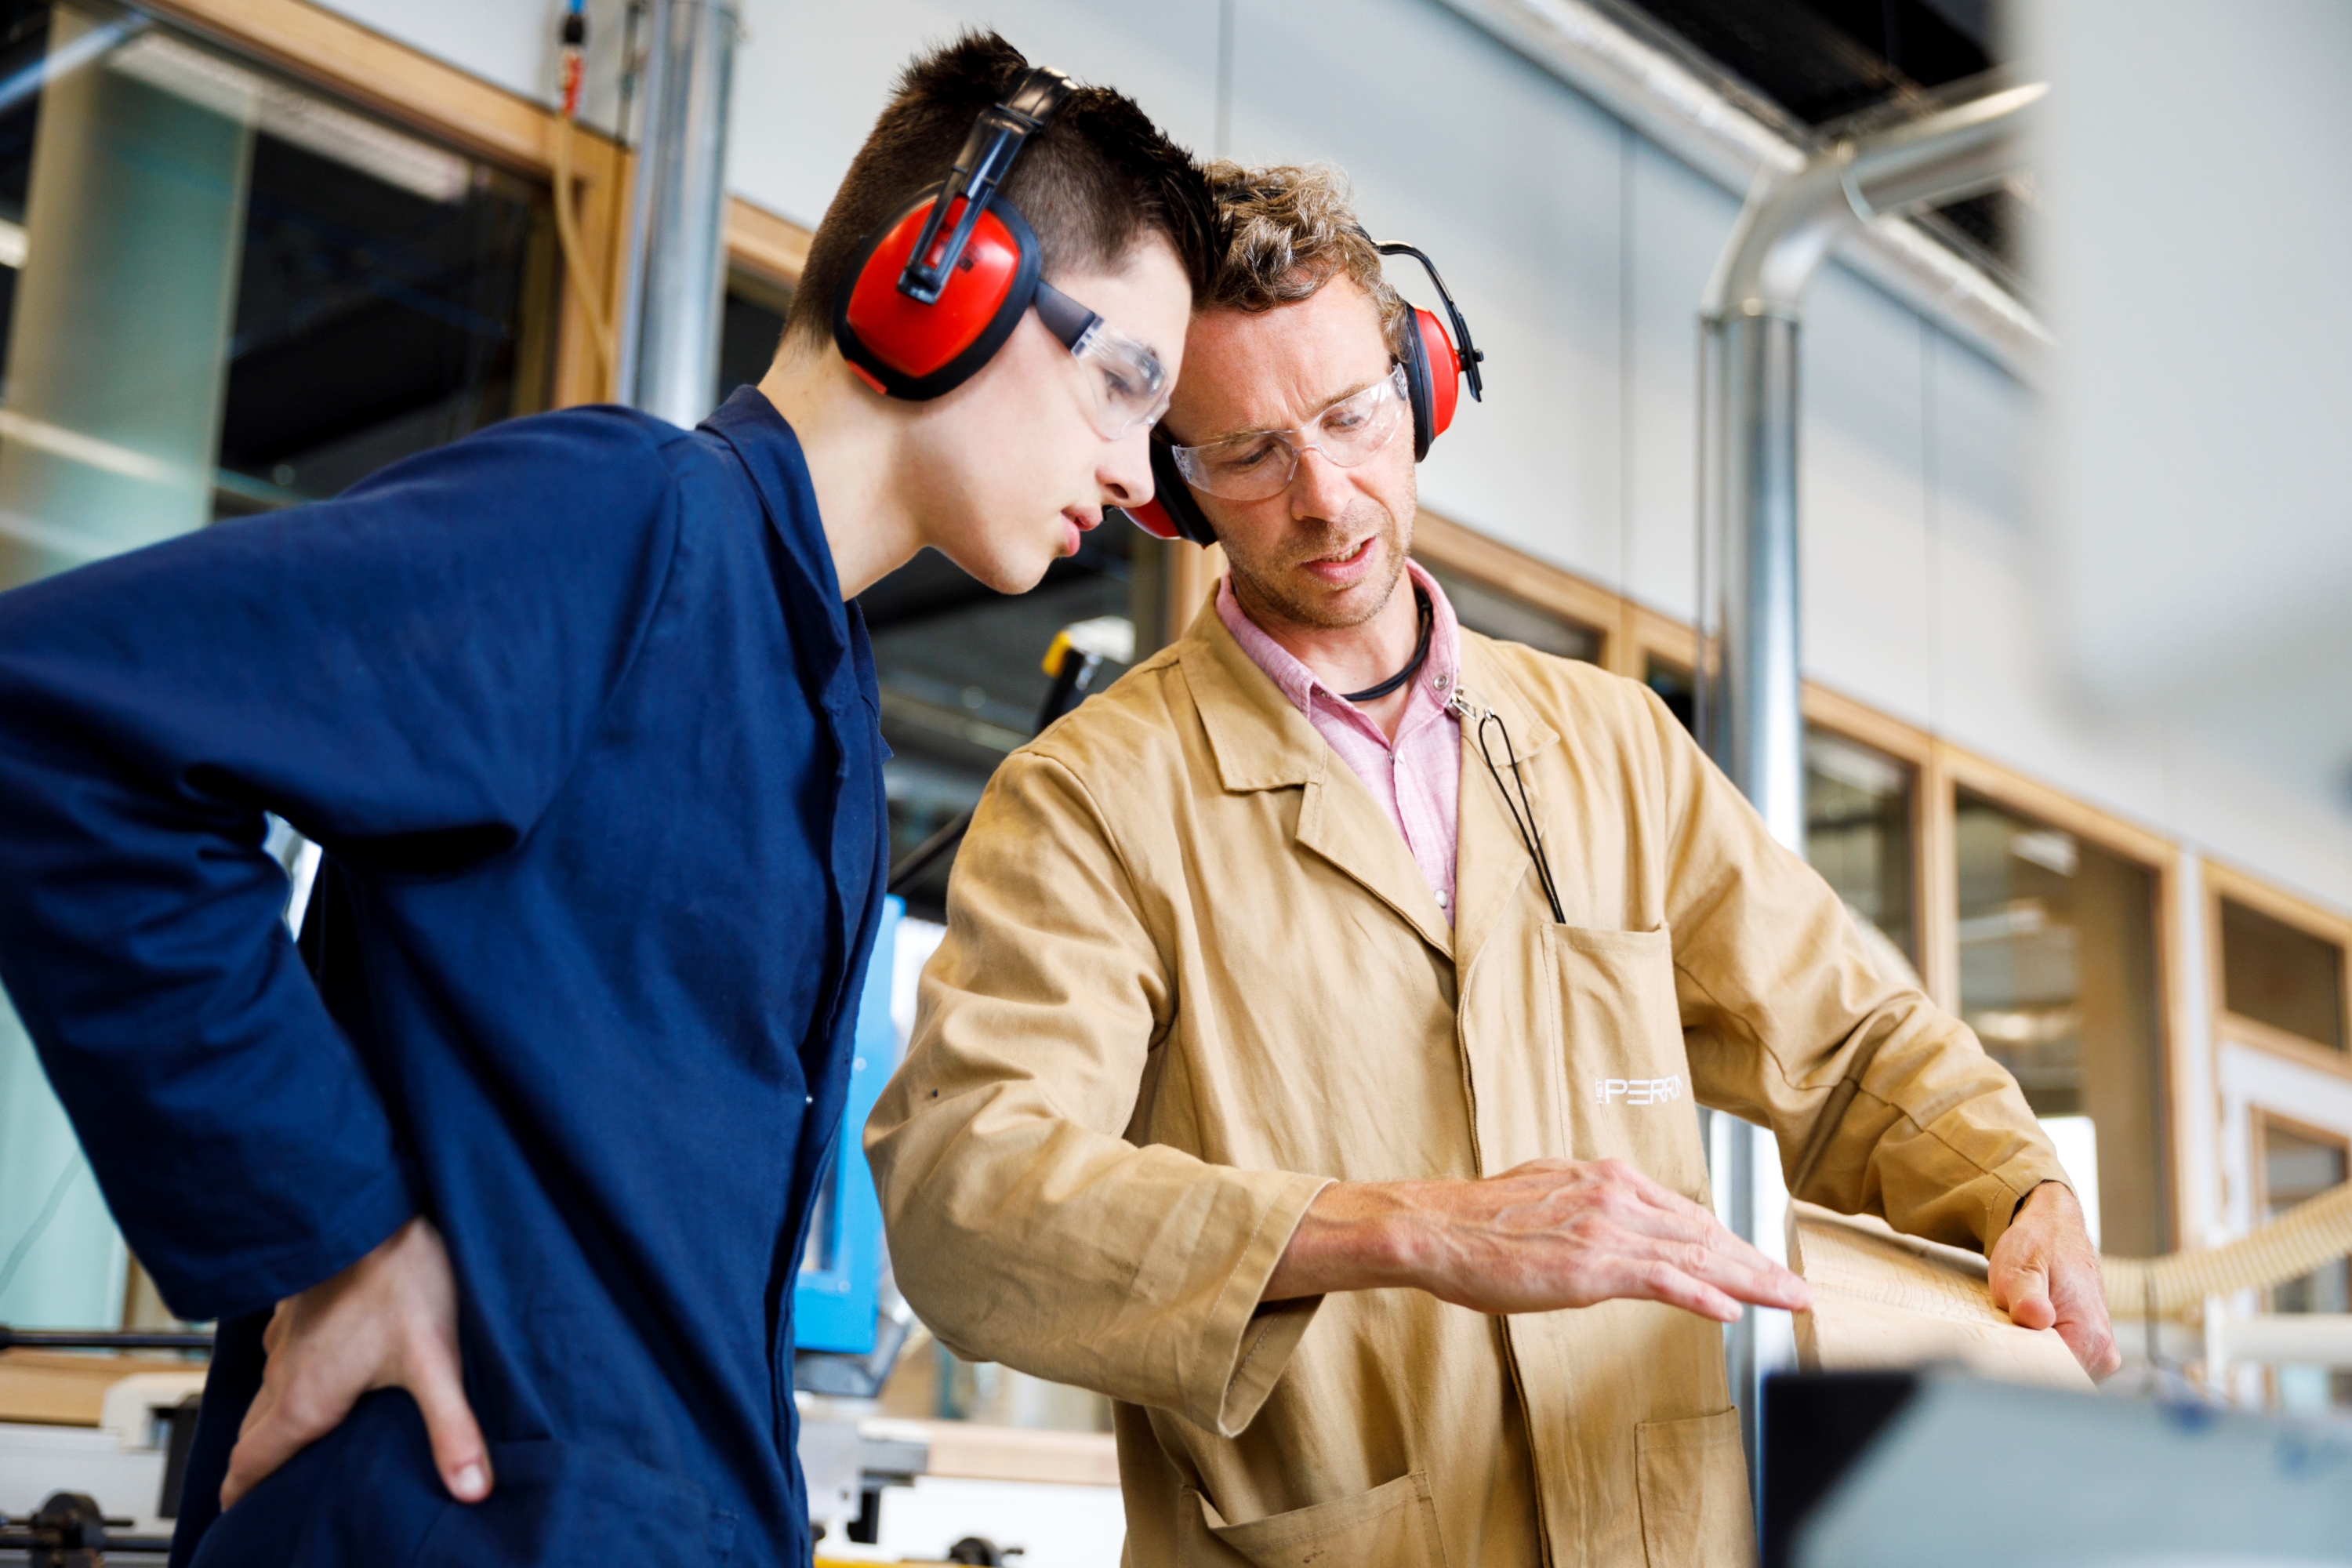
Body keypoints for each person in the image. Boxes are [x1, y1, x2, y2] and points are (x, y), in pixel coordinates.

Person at [0, 34, 1210, 1567]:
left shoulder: (810, 676)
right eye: (1123, 382)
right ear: (942, 278)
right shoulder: (628, 525)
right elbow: (58, 728)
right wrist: (339, 1236)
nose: (1131, 470)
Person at [865, 162, 2119, 1566]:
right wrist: (1401, 1230)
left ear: (1422, 392)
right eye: (1251, 453)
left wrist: (2020, 1191)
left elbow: (1849, 1040)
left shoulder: (1615, 749)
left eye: (1351, 417)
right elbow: (965, 1198)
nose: (1327, 497)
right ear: (1174, 487)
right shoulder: (1095, 804)